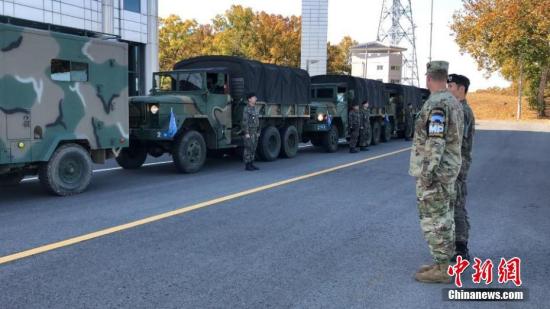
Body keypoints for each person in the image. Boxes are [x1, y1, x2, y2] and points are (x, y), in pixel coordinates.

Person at [409, 61, 464, 283]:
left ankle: (443, 271)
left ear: (429, 78)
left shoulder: (437, 104)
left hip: (437, 173)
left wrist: (427, 173)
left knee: (434, 219)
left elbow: (435, 142)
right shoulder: (453, 101)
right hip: (448, 170)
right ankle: (444, 263)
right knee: (445, 216)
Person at [447, 74, 475, 261]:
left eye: (451, 86)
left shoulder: (463, 111)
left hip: (458, 163)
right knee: (453, 203)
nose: (448, 89)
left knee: (457, 204)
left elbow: (456, 141)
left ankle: (461, 248)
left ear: (461, 89)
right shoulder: (457, 109)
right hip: (453, 162)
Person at [242, 92, 261, 171]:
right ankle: (247, 165)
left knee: (253, 148)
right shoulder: (246, 109)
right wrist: (246, 133)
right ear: (249, 99)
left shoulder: (255, 109)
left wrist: (258, 132)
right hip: (249, 132)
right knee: (248, 148)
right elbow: (244, 122)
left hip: (255, 132)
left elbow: (258, 121)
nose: (255, 99)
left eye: (255, 97)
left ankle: (252, 163)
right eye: (254, 97)